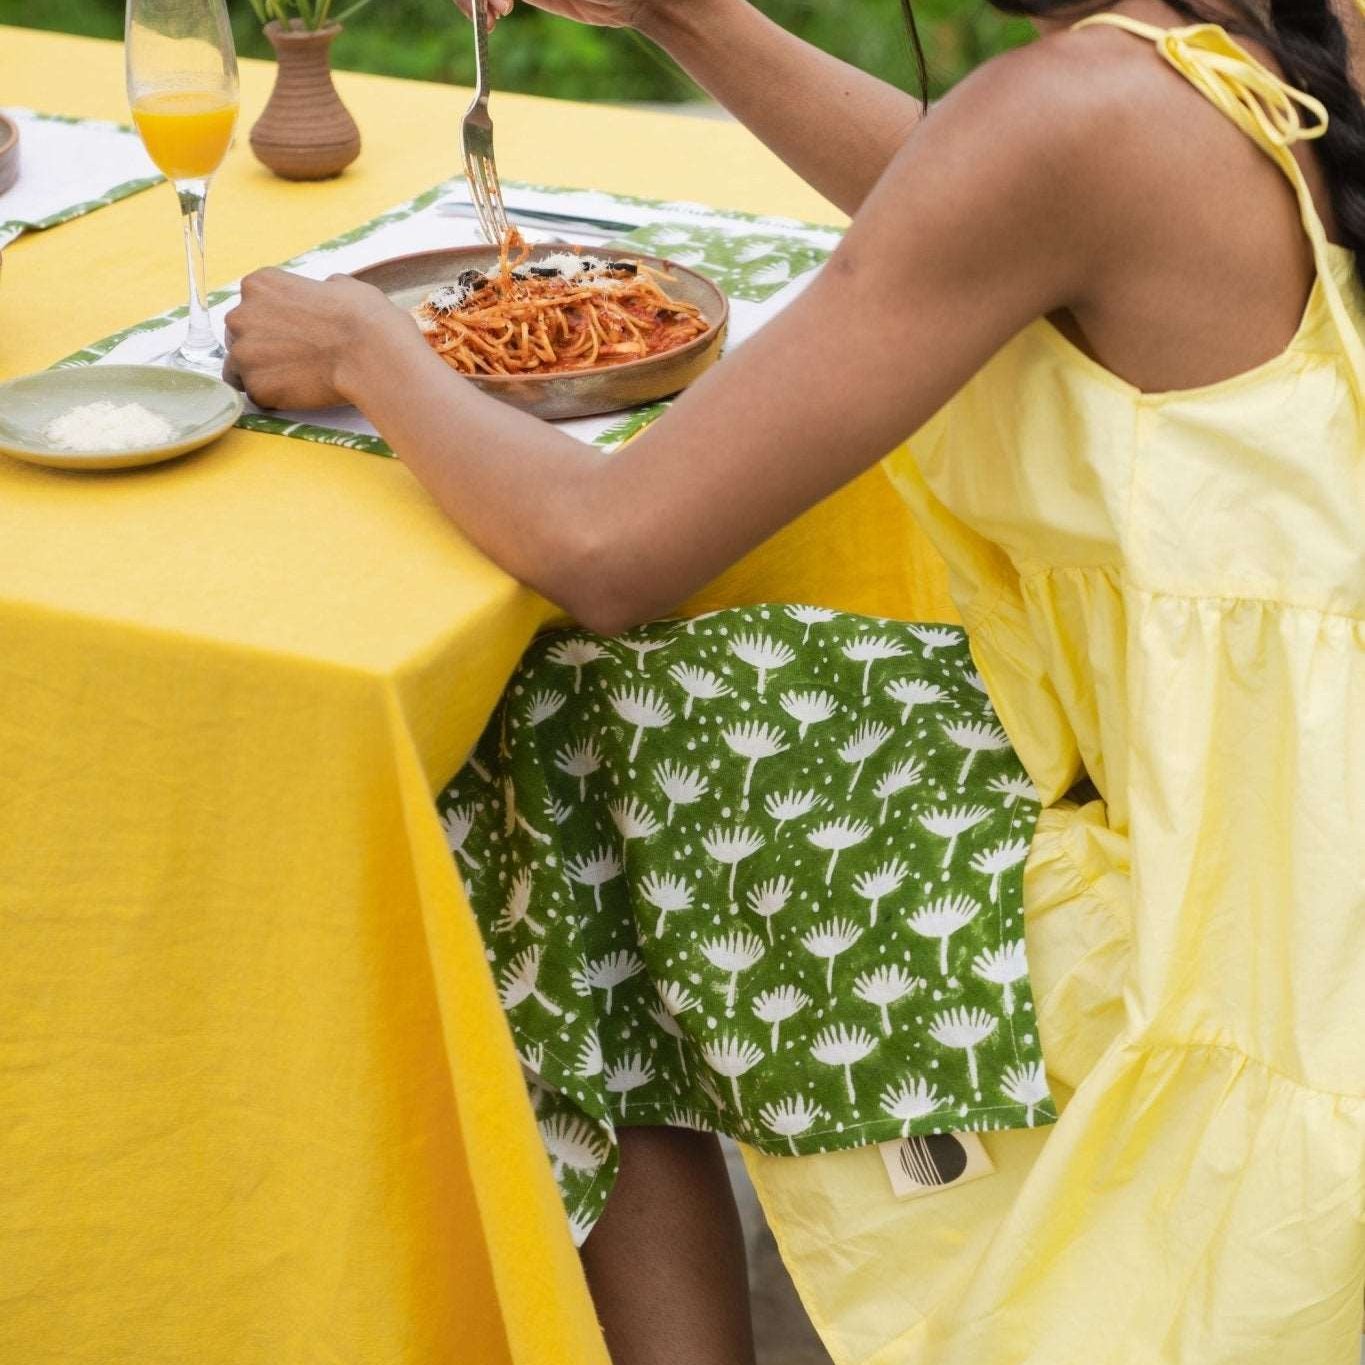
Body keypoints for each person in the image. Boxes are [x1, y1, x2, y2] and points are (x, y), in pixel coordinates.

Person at [223, 0, 1365, 1359]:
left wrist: (368, 351)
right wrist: (687, 20)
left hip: (1242, 926)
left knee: (546, 736)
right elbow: (980, 194)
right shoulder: (1277, 48)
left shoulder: (1072, 116)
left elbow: (608, 548)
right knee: (622, 713)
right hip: (1279, 796)